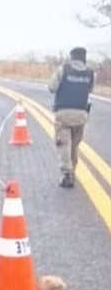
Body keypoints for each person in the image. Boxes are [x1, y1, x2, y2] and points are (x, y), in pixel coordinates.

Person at [48, 46, 95, 189]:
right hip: (81, 114)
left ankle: (66, 174)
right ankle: (72, 170)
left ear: (72, 57)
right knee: (74, 145)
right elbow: (90, 89)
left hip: (64, 112)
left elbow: (52, 87)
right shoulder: (90, 73)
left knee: (64, 144)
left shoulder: (63, 70)